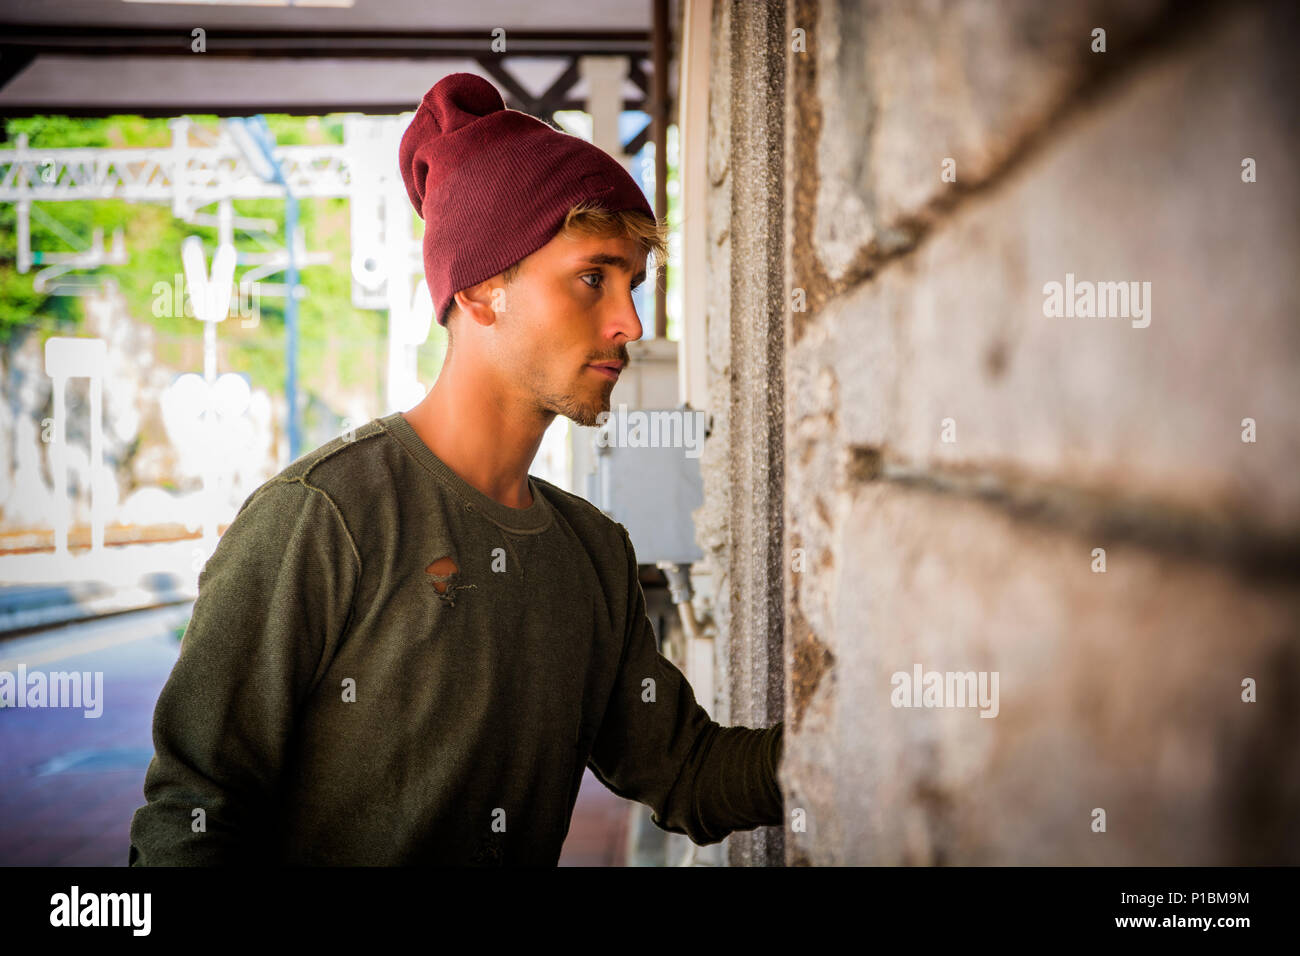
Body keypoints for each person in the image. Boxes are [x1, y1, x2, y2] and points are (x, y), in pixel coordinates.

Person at [128, 72, 784, 866]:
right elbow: (192, 821)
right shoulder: (321, 518)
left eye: (634, 285)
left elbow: (688, 773)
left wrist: (851, 733)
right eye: (592, 278)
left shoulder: (594, 554)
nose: (631, 323)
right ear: (479, 292)